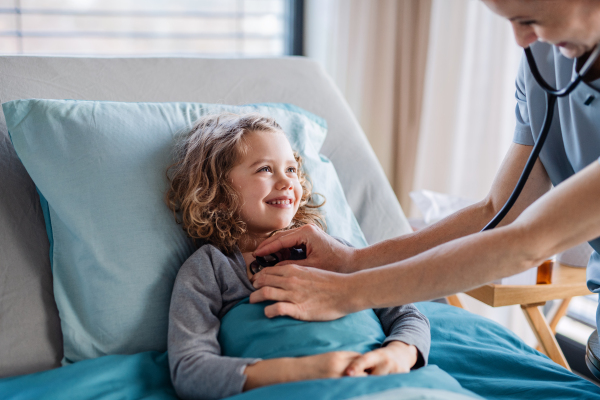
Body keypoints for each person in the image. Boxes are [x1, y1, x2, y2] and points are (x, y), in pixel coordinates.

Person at [249, 0, 600, 348]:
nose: (522, 39)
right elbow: (499, 211)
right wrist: (352, 261)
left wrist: (346, 293)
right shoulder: (543, 61)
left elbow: (528, 241)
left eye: (529, 19)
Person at [164, 113, 430, 400]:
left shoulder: (335, 251)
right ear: (219, 193)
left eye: (291, 169)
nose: (286, 181)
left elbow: (406, 313)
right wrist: (302, 370)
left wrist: (400, 354)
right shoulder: (211, 268)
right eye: (265, 169)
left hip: (386, 384)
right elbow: (190, 370)